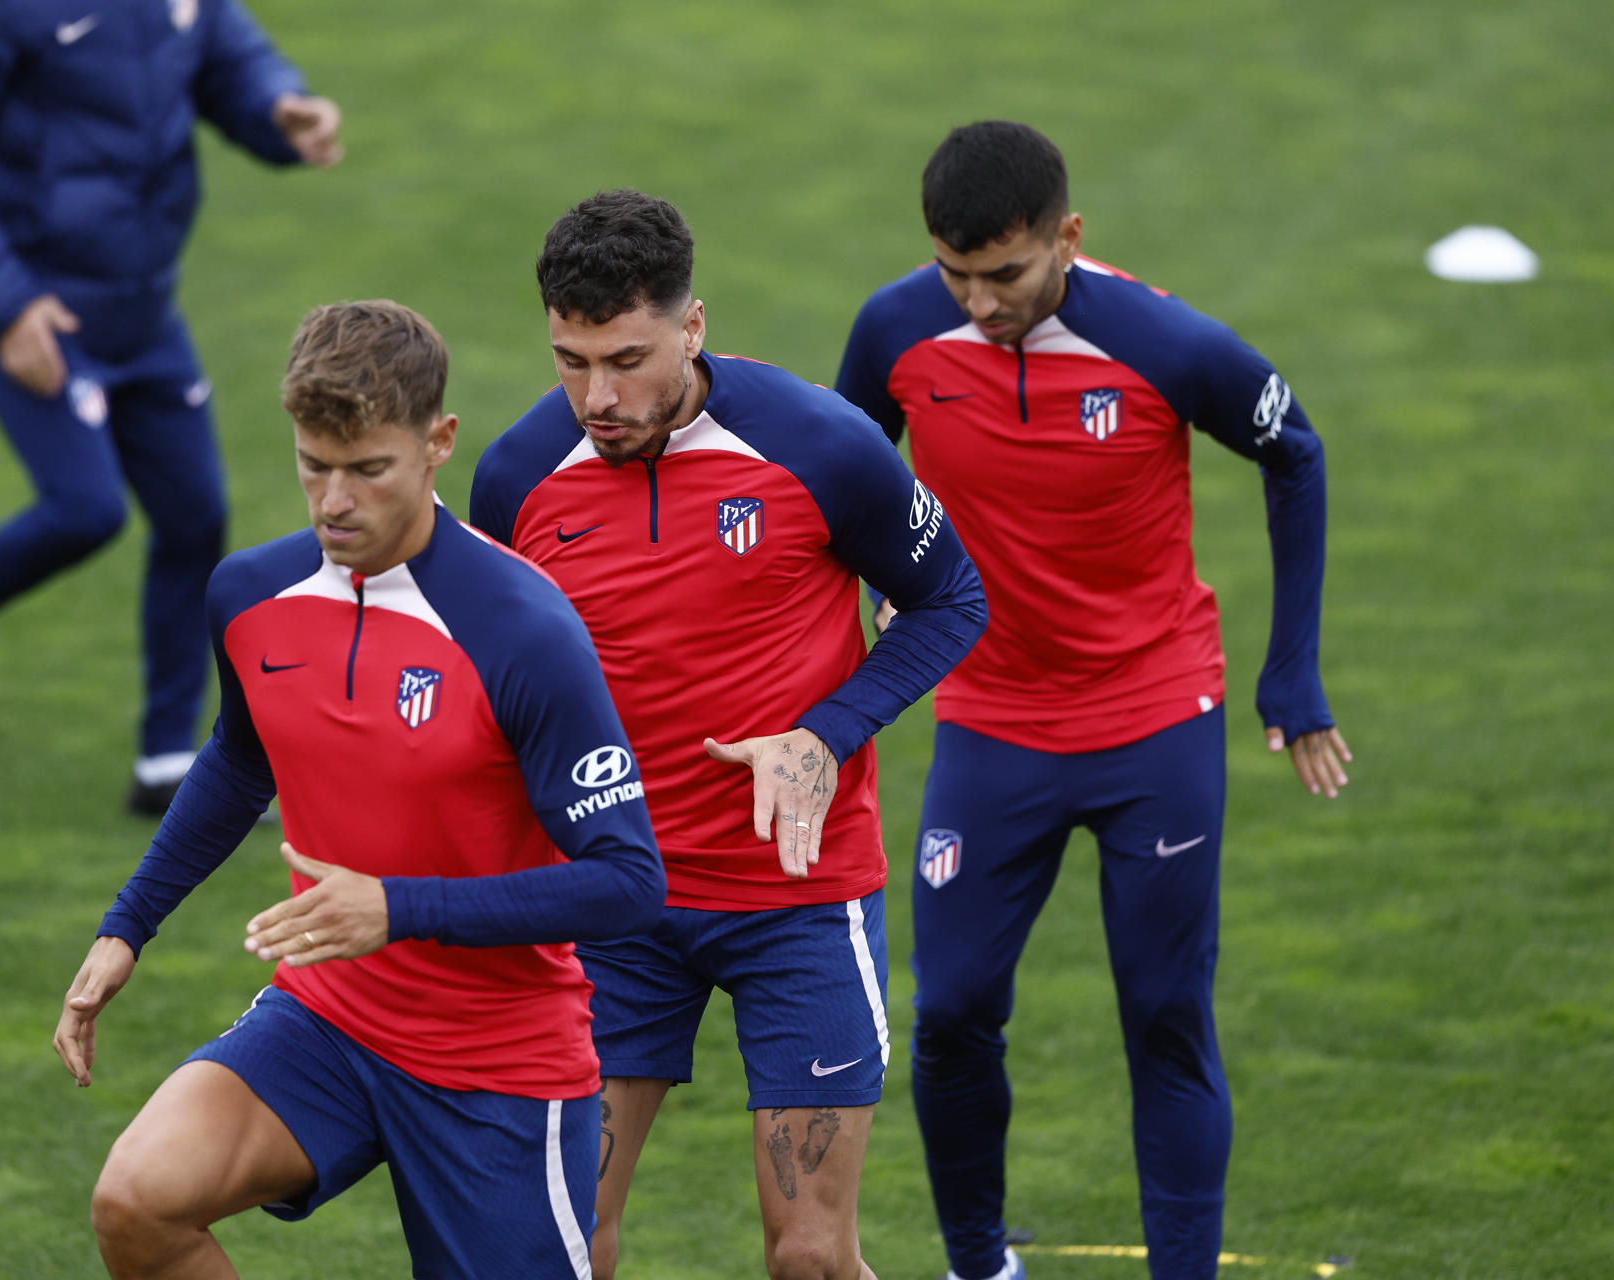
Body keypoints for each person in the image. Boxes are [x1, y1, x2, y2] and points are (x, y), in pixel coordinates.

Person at [51, 300, 666, 1279]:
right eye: (313, 464)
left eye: (367, 468)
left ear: (436, 444)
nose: (334, 500)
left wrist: (396, 905)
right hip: (327, 1021)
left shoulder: (524, 630)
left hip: (498, 1063)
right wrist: (129, 924)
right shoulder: (251, 598)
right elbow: (241, 757)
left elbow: (629, 880)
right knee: (139, 1201)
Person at [835, 121, 1354, 1280]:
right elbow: (848, 475)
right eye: (955, 273)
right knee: (952, 1012)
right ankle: (982, 1266)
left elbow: (1297, 450)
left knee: (1166, 1013)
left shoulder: (1163, 342)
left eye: (1006, 275)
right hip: (991, 720)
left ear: (1068, 237)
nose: (978, 302)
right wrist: (878, 593)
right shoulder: (894, 330)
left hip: (1155, 717)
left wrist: (1292, 670)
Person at [470, 190, 989, 1280]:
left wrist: (826, 733)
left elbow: (952, 598)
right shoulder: (518, 477)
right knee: (558, 1245)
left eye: (626, 358)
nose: (597, 398)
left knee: (809, 1255)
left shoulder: (820, 445)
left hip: (798, 893)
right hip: (616, 897)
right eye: (570, 360)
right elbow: (491, 682)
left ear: (692, 326)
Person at [0, 0, 343, 814]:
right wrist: (6, 304)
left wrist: (279, 106)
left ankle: (166, 761)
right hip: (34, 312)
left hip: (142, 308)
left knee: (195, 516)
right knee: (84, 508)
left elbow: (227, 61)